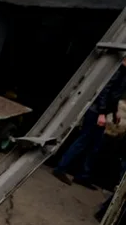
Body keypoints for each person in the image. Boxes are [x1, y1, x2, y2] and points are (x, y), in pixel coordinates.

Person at [53, 57, 126, 188]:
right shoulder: (117, 71)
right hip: (96, 111)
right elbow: (104, 91)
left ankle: (82, 176)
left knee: (94, 145)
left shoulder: (123, 73)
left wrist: (114, 113)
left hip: (100, 111)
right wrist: (101, 113)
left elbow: (114, 95)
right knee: (84, 140)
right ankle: (61, 168)